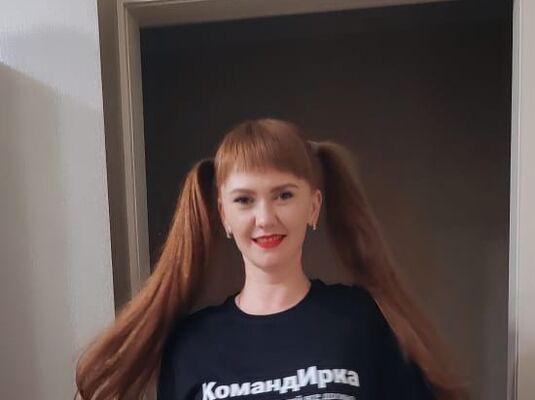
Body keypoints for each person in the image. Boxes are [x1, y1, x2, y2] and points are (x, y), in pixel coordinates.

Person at [75, 118, 468, 400]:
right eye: (244, 200)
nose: (265, 218)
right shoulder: (191, 343)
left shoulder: (362, 319)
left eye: (284, 195)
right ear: (224, 215)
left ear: (313, 206)